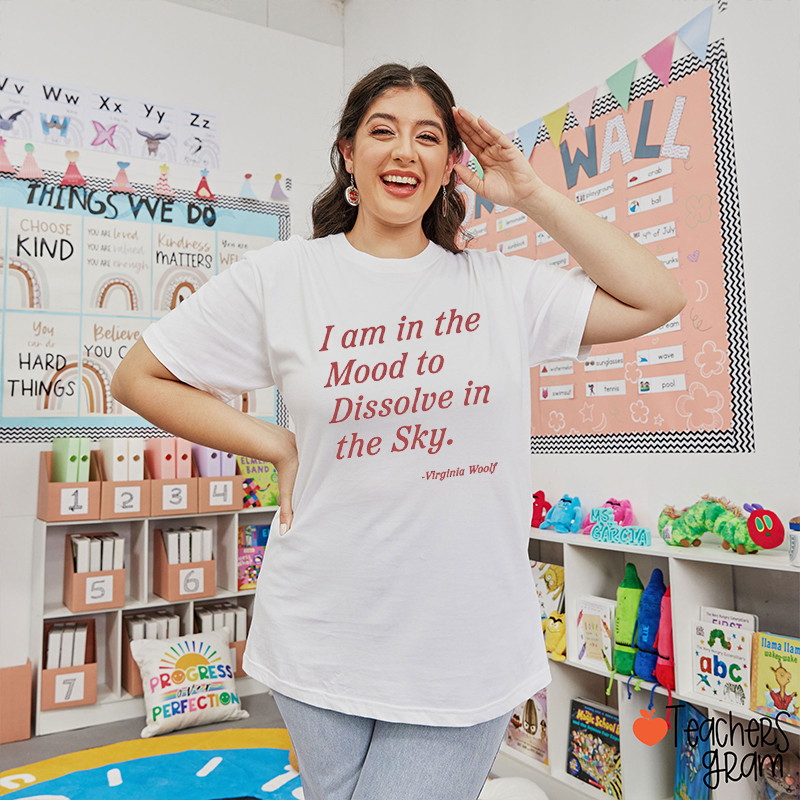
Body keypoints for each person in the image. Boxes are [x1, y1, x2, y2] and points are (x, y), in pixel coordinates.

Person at [112, 63, 685, 800]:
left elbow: (657, 298)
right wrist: (275, 443)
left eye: (428, 136)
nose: (404, 151)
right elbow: (138, 378)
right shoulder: (283, 278)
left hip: (461, 640)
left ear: (452, 164)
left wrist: (534, 194)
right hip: (318, 629)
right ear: (348, 152)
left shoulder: (501, 287)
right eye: (382, 131)